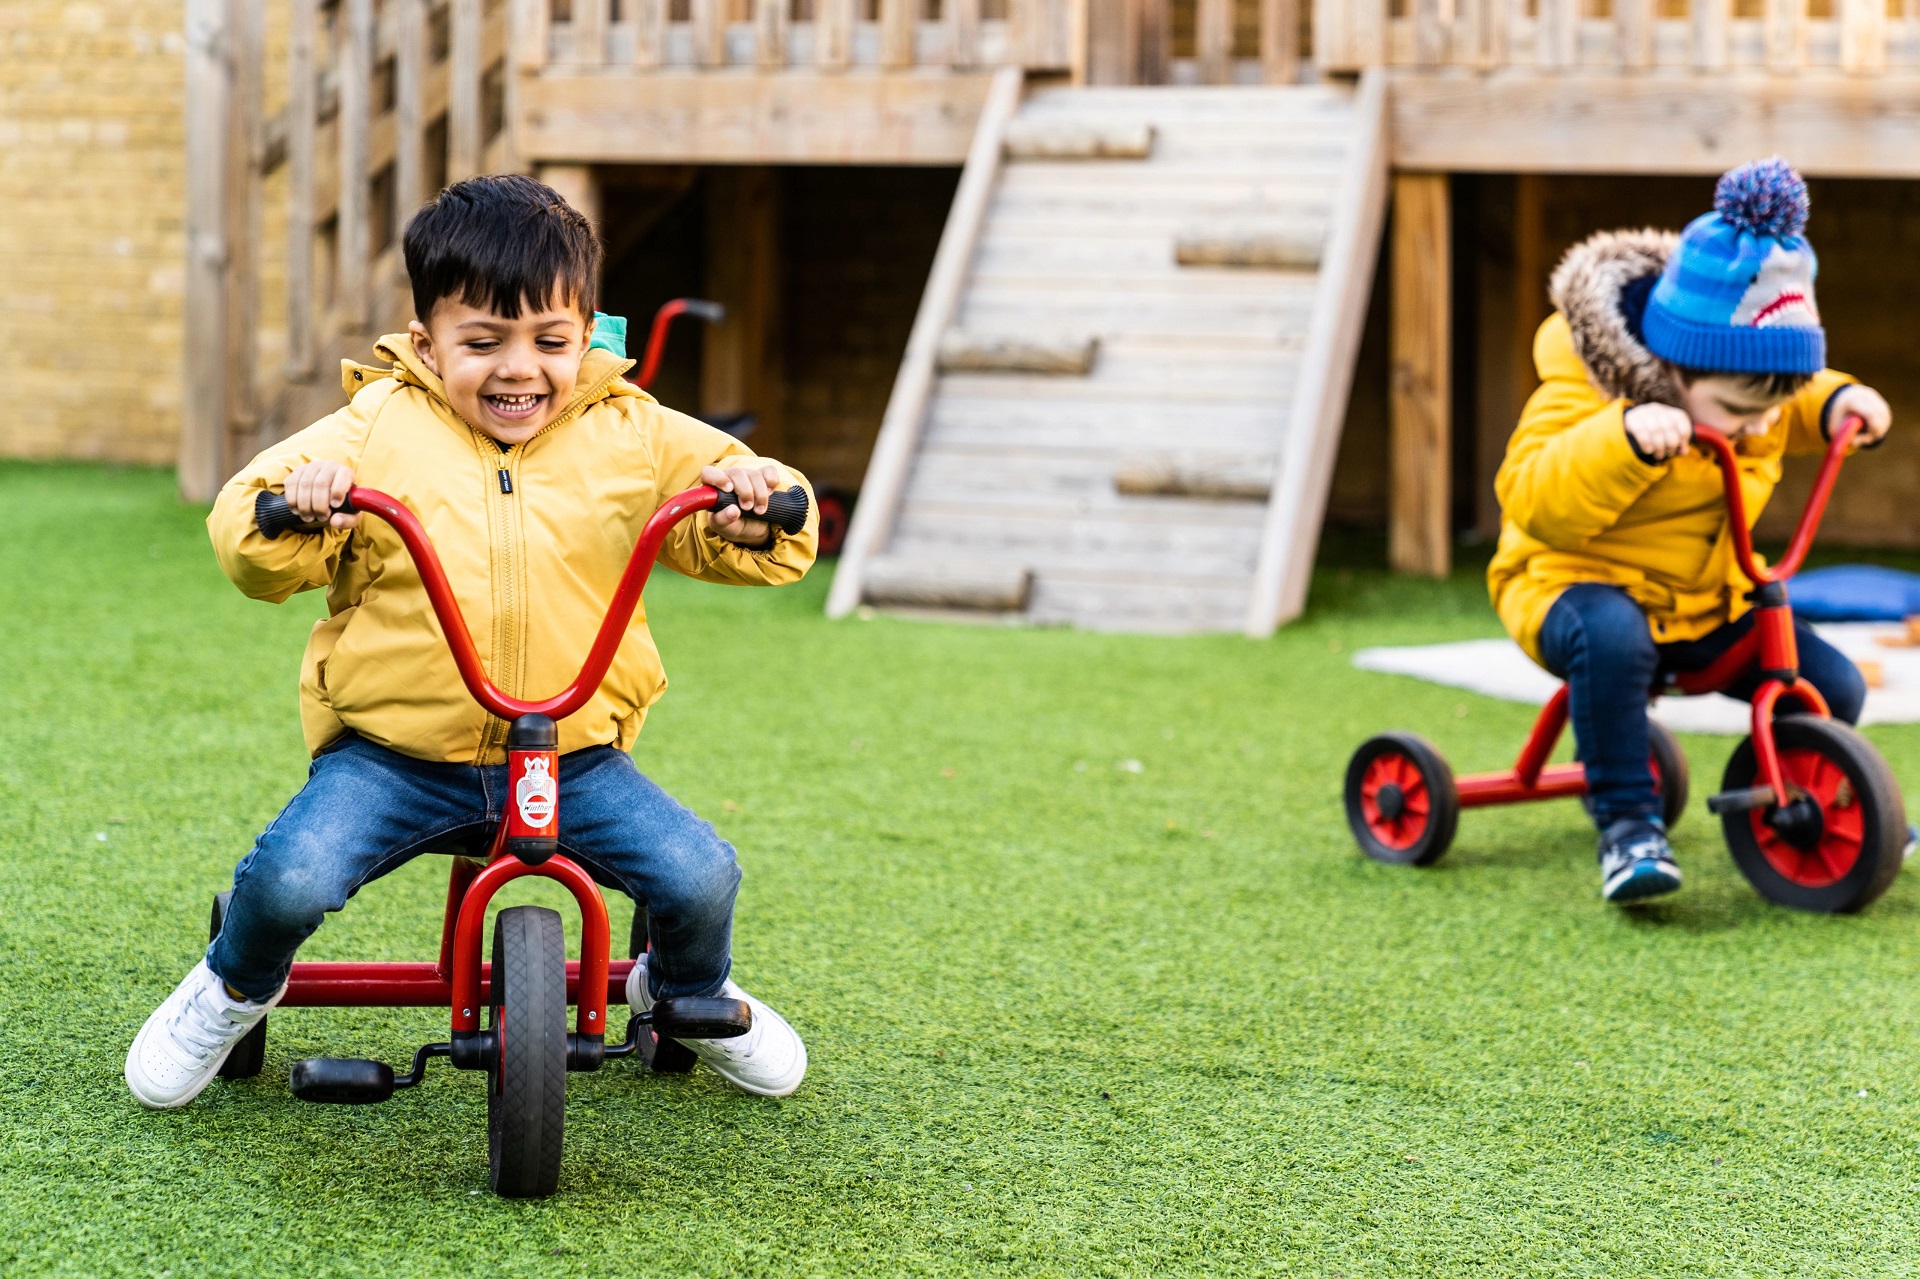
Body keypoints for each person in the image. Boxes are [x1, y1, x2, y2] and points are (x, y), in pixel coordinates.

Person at [126, 175, 815, 1106]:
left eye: (550, 341)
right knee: (290, 880)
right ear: (426, 342)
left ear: (588, 332)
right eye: (482, 342)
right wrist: (300, 508)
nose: (518, 369)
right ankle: (233, 985)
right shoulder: (377, 427)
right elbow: (246, 526)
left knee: (699, 875)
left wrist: (758, 510)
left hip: (571, 755)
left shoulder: (634, 431)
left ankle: (683, 988)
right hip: (398, 756)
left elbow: (745, 491)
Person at [1489, 157, 1893, 904]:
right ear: (1675, 368)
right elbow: (1531, 495)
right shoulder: (1582, 390)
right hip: (1569, 586)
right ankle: (1627, 826)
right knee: (1613, 640)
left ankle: (1819, 793)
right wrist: (1623, 442)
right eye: (1743, 413)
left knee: (1825, 680)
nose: (1762, 427)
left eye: (1779, 404)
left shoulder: (1742, 393)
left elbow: (1780, 398)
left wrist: (1837, 402)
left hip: (1704, 600)